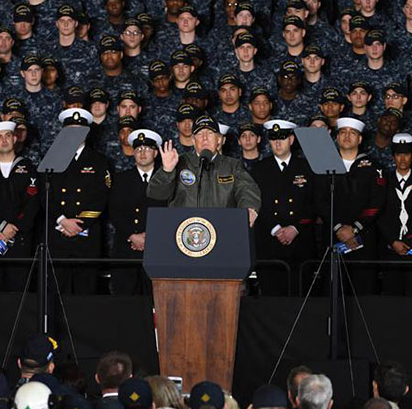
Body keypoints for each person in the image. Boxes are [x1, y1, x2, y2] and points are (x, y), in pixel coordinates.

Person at [316, 117, 385, 295]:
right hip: (333, 238)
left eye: (352, 133)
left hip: (364, 240)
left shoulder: (373, 166)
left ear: (360, 139)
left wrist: (354, 228)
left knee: (364, 292)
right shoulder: (323, 166)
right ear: (337, 137)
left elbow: (377, 203)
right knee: (332, 293)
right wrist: (339, 227)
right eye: (343, 132)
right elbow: (319, 200)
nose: (347, 136)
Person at [147, 114, 260, 224]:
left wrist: (249, 208)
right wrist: (167, 171)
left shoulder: (232, 165)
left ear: (219, 140)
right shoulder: (179, 162)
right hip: (183, 232)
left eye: (210, 133)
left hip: (222, 229)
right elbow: (156, 194)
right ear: (193, 140)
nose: (205, 138)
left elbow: (247, 189)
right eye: (200, 134)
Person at [48, 108, 111, 295]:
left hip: (86, 235)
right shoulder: (52, 158)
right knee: (58, 292)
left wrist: (79, 224)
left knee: (86, 291)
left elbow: (102, 197)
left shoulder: (99, 161)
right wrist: (62, 220)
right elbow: (45, 196)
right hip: (58, 234)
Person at [251, 119, 316, 296]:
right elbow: (255, 203)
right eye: (273, 139)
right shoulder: (259, 169)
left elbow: (315, 202)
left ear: (291, 140)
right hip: (269, 243)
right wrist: (276, 229)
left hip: (300, 244)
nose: (277, 143)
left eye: (282, 138)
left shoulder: (308, 168)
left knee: (299, 298)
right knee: (271, 300)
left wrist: (295, 228)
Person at [0, 121, 40, 292]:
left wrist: (15, 227)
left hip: (20, 238)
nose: (4, 140)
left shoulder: (29, 167)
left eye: (8, 136)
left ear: (15, 138)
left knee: (19, 289)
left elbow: (32, 203)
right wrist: (2, 226)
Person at [109, 129, 164, 296]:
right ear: (133, 152)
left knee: (156, 302)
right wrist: (133, 235)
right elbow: (114, 211)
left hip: (157, 249)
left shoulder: (166, 180)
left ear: (155, 152)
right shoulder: (120, 179)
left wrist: (149, 237)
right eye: (139, 149)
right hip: (126, 249)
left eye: (147, 149)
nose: (142, 153)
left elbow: (169, 212)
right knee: (126, 303)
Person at [378, 139, 412, 296]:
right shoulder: (383, 181)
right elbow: (380, 214)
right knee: (391, 295)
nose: (402, 159)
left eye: (406, 154)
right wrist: (393, 241)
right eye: (398, 155)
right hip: (389, 246)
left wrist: (407, 242)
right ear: (393, 157)